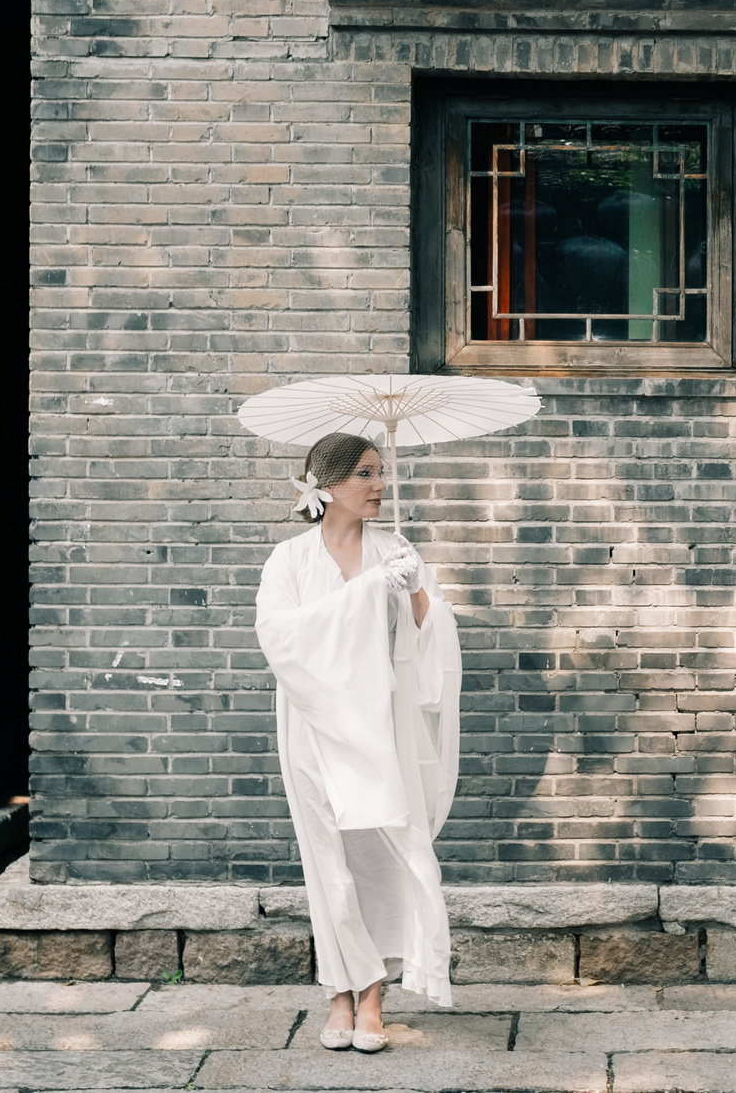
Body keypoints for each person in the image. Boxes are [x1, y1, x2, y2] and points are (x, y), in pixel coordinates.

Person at [254, 432, 459, 1051]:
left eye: (380, 472)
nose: (380, 485)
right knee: (328, 860)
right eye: (366, 474)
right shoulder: (289, 560)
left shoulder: (394, 550)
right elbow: (280, 637)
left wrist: (414, 589)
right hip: (314, 727)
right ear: (326, 483)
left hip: (382, 724)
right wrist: (366, 591)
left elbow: (430, 631)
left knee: (385, 853)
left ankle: (374, 997)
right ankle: (340, 993)